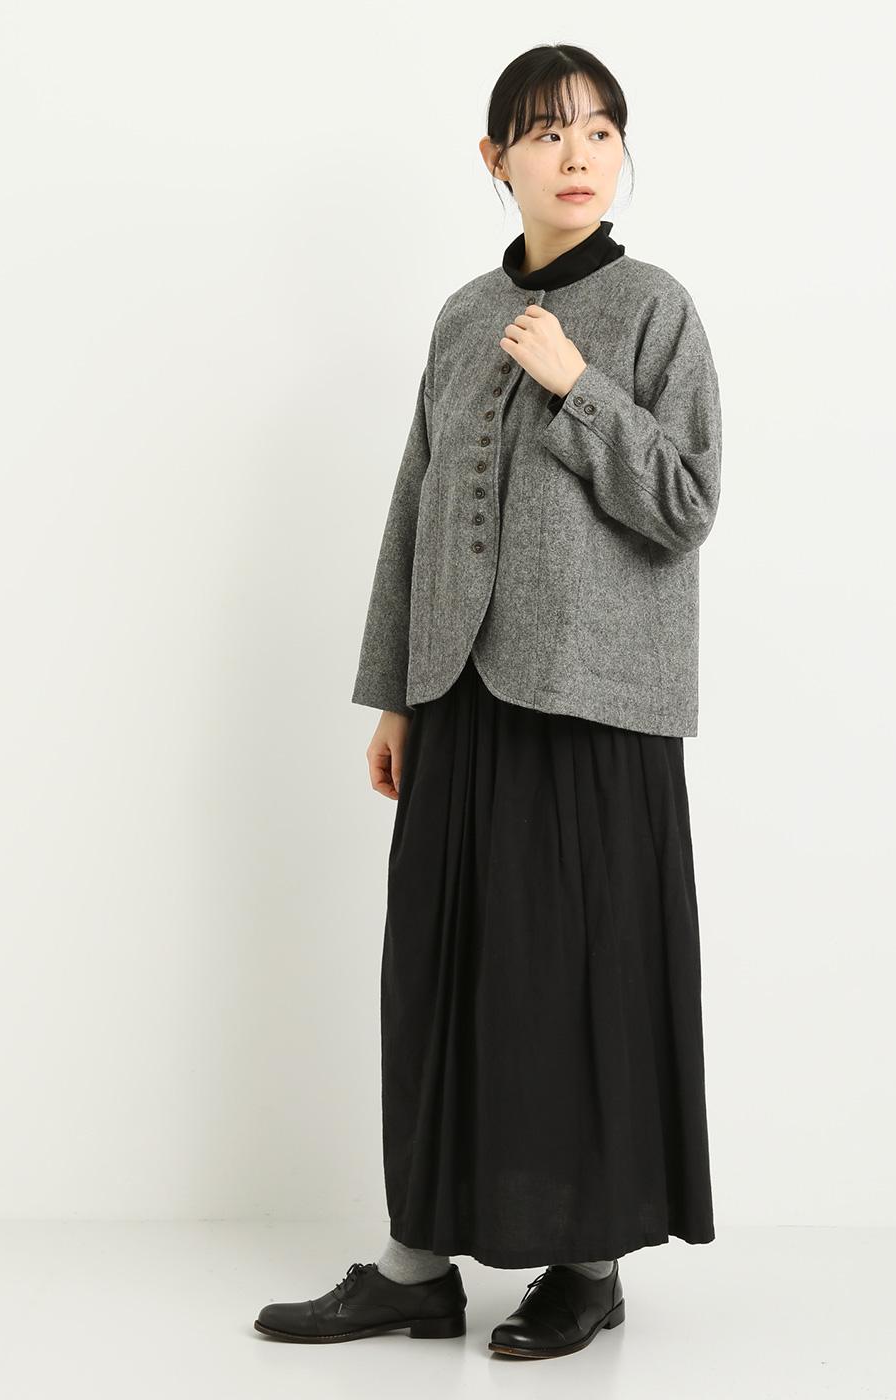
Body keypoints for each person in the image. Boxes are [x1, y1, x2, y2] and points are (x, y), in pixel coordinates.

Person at [256, 42, 722, 1361]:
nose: (578, 155)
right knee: (440, 972)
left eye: (600, 131)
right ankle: (416, 1265)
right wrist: (395, 697)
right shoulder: (464, 316)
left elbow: (687, 502)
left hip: (596, 706)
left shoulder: (656, 309)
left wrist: (580, 388)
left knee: (575, 980)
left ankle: (588, 1265)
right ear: (495, 158)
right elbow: (414, 505)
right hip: (460, 697)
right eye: (547, 132)